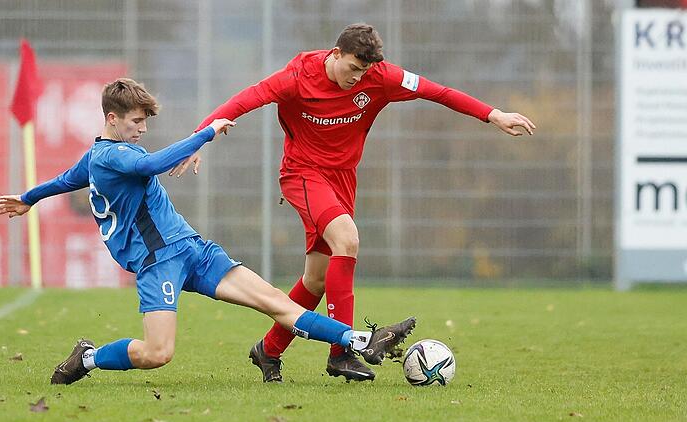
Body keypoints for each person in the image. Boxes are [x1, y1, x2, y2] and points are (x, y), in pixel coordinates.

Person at [0, 78, 415, 385]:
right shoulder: (114, 157)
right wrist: (206, 133)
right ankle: (89, 357)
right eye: (136, 122)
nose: (142, 130)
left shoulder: (96, 157)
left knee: (276, 303)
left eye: (145, 123)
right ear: (112, 118)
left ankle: (359, 339)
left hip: (193, 250)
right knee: (158, 354)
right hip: (158, 264)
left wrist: (29, 197)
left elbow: (65, 180)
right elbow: (149, 166)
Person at [178, 23, 536, 383]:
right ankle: (342, 353)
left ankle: (269, 350)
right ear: (335, 55)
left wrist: (493, 115)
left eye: (363, 71)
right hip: (302, 174)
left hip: (343, 180)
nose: (357, 77)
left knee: (315, 281)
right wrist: (198, 139)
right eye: (352, 68)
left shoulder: (381, 77)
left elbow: (436, 91)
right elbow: (242, 101)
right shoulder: (296, 78)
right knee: (347, 240)